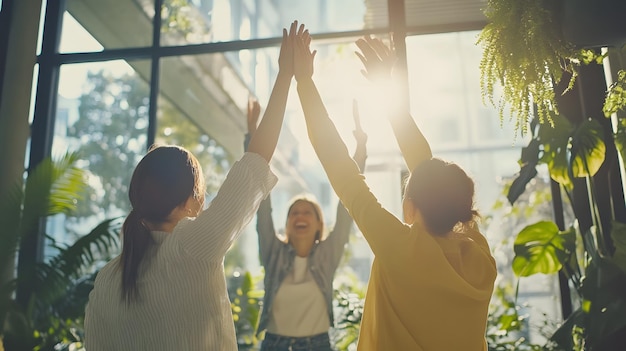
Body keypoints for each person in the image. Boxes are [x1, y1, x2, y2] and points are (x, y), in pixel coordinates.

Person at [83, 20, 303, 351]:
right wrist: (285, 76)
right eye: (201, 194)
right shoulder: (192, 246)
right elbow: (256, 162)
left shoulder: (108, 278)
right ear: (189, 201)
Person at [293, 32, 497, 351]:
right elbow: (428, 169)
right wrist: (387, 90)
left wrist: (304, 81)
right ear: (463, 207)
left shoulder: (401, 248)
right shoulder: (479, 255)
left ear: (411, 207)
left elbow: (340, 167)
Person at [244, 94, 367, 351]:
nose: (300, 216)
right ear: (287, 224)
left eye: (307, 212)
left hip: (318, 345)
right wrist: (252, 135)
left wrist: (361, 149)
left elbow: (347, 207)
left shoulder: (328, 254)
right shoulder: (273, 251)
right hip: (274, 345)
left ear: (319, 224)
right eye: (294, 213)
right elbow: (262, 205)